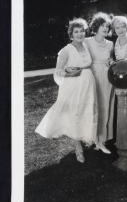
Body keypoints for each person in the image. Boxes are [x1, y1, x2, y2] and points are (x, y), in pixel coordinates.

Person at [35, 18, 98, 163]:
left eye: (82, 31)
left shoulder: (86, 46)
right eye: (76, 32)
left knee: (87, 111)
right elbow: (58, 71)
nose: (80, 34)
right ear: (71, 34)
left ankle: (87, 137)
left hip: (88, 83)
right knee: (75, 113)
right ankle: (78, 148)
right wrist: (69, 73)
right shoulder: (66, 50)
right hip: (73, 85)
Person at [85, 12, 114, 154]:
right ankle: (92, 138)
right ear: (96, 27)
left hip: (107, 77)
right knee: (92, 108)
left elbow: (110, 60)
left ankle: (101, 140)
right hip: (93, 76)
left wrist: (111, 62)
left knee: (105, 107)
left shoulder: (110, 43)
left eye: (107, 26)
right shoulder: (87, 41)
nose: (105, 28)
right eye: (102, 25)